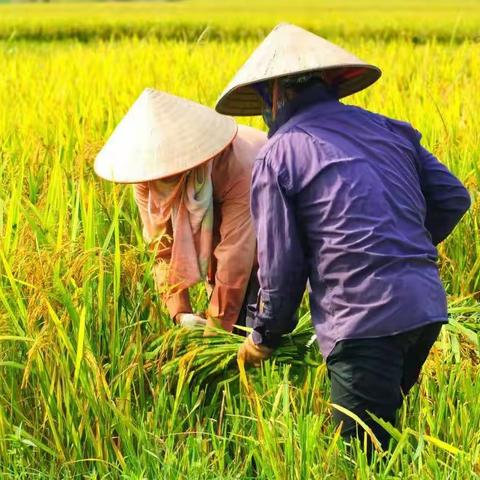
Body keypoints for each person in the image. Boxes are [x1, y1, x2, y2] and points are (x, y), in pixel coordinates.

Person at [216, 24, 471, 450]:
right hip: (424, 307)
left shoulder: (279, 152)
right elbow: (453, 197)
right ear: (330, 84)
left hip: (363, 318)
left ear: (275, 94)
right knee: (384, 441)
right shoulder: (390, 128)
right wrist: (399, 247)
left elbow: (280, 268)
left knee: (361, 458)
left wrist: (263, 337)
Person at [95, 88, 266, 332]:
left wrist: (216, 325)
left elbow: (236, 254)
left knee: (254, 324)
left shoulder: (237, 165)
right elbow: (161, 249)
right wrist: (180, 312)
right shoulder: (146, 182)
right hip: (221, 236)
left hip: (267, 225)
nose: (162, 176)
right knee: (221, 320)